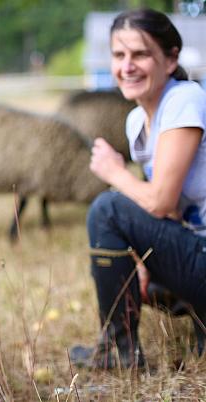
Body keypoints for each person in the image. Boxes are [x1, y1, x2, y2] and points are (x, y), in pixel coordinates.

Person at [70, 8, 206, 369]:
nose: (126, 66)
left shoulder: (185, 99)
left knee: (107, 208)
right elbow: (171, 211)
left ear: (171, 57)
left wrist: (115, 172)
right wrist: (143, 261)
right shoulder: (136, 121)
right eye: (119, 55)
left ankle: (120, 352)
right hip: (194, 248)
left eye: (141, 54)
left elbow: (160, 202)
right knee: (119, 226)